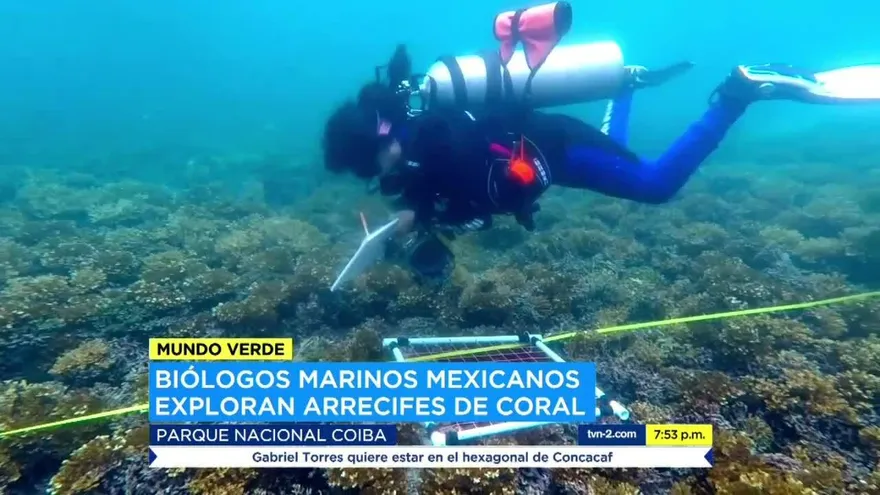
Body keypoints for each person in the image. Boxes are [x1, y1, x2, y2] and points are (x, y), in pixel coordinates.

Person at [322, 4, 880, 280]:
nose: (378, 176)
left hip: (556, 148)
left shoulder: (437, 136)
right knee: (624, 162)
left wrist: (423, 213)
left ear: (382, 137)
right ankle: (628, 87)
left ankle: (737, 92)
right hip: (549, 158)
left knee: (655, 185)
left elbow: (477, 180)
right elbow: (452, 190)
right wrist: (417, 215)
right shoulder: (420, 143)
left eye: (372, 163)